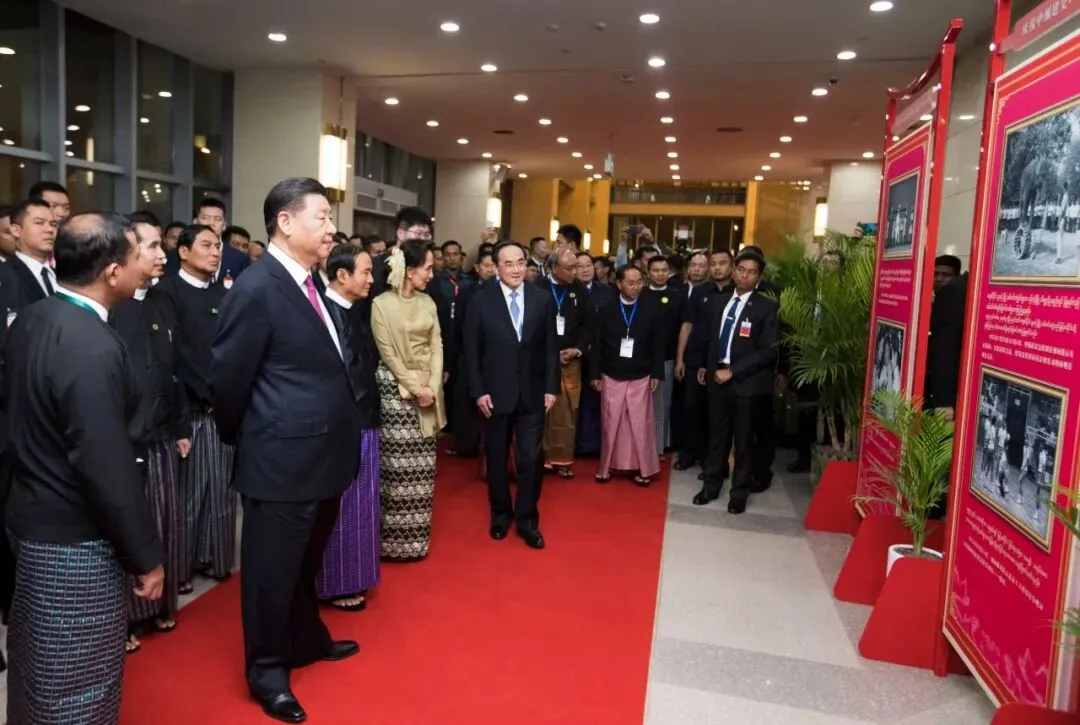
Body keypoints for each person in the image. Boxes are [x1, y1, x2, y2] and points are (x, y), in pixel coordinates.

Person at [211, 177, 361, 723]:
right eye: (322, 217)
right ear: (285, 222)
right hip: (279, 460)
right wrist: (254, 439)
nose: (331, 229)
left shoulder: (307, 282)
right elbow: (228, 381)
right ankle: (267, 672)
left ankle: (305, 639)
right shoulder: (257, 288)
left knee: (303, 563)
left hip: (322, 457)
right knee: (270, 574)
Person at [5, 212, 164, 724]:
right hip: (75, 540)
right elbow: (104, 464)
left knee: (36, 668)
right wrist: (145, 556)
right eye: (136, 255)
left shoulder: (34, 318)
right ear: (113, 272)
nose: (143, 265)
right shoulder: (91, 344)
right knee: (78, 681)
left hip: (28, 517)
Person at [113, 213, 191, 653]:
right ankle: (124, 617)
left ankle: (159, 605)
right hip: (126, 439)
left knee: (165, 522)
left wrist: (180, 425)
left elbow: (174, 369)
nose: (162, 254)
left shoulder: (162, 301)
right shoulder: (113, 306)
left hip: (162, 430)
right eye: (152, 246)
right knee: (131, 523)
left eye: (163, 245)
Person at [152, 225, 234, 591]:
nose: (215, 252)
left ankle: (216, 559)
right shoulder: (166, 292)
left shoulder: (224, 294)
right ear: (183, 252)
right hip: (186, 407)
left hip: (222, 406)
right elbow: (173, 355)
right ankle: (181, 569)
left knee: (221, 491)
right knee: (188, 496)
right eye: (206, 245)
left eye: (218, 246)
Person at [464, 241, 557, 549]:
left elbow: (550, 348)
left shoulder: (542, 299)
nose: (516, 269)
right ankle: (500, 515)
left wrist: (551, 387)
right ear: (496, 268)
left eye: (520, 262)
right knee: (496, 457)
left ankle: (527, 520)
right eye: (508, 264)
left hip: (533, 392)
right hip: (494, 393)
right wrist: (478, 390)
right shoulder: (480, 300)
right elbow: (471, 350)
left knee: (531, 458)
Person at [370, 240, 446, 561]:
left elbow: (437, 345)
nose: (431, 274)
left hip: (429, 389)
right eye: (427, 268)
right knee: (395, 469)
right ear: (409, 270)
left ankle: (416, 542)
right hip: (395, 392)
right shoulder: (381, 304)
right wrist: (416, 387)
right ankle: (390, 544)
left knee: (423, 471)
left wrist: (432, 385)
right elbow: (388, 354)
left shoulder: (428, 302)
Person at [316, 244, 380, 611]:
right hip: (345, 425)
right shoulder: (326, 313)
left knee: (360, 504)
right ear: (342, 275)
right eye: (365, 272)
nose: (371, 279)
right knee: (343, 507)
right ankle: (336, 583)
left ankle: (353, 577)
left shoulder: (352, 310)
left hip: (363, 420)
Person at [699, 250, 780, 514]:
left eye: (751, 272)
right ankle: (710, 486)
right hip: (717, 380)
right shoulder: (718, 302)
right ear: (734, 270)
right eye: (741, 270)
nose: (745, 276)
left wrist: (733, 371)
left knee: (744, 443)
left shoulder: (766, 307)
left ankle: (738, 495)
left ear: (759, 277)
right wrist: (706, 366)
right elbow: (711, 340)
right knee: (716, 437)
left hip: (747, 384)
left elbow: (768, 351)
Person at [591, 264, 665, 486]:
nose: (636, 287)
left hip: (641, 373)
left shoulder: (651, 309)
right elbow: (596, 345)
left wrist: (657, 374)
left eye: (639, 282)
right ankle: (606, 467)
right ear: (619, 283)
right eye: (630, 283)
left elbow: (658, 345)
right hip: (611, 373)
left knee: (640, 424)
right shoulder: (606, 310)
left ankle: (643, 469)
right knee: (611, 422)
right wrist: (594, 375)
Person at [540, 247, 591, 478]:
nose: (574, 272)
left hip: (571, 359)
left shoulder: (579, 289)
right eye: (569, 268)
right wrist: (550, 353)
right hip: (542, 360)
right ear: (553, 267)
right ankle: (540, 457)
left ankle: (561, 459)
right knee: (541, 410)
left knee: (567, 411)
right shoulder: (538, 288)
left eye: (576, 267)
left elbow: (588, 324)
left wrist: (578, 349)